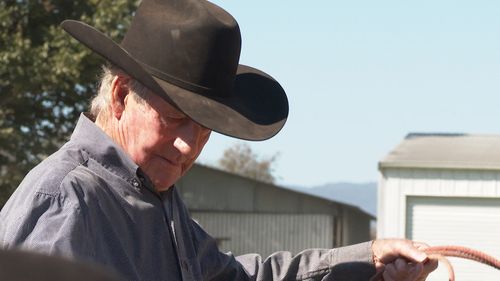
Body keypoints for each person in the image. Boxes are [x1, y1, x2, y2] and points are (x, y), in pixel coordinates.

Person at [0, 0, 438, 280]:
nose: (189, 146)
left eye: (204, 129)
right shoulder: (65, 202)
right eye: (174, 119)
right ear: (120, 96)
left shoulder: (155, 198)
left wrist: (368, 260)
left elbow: (234, 279)